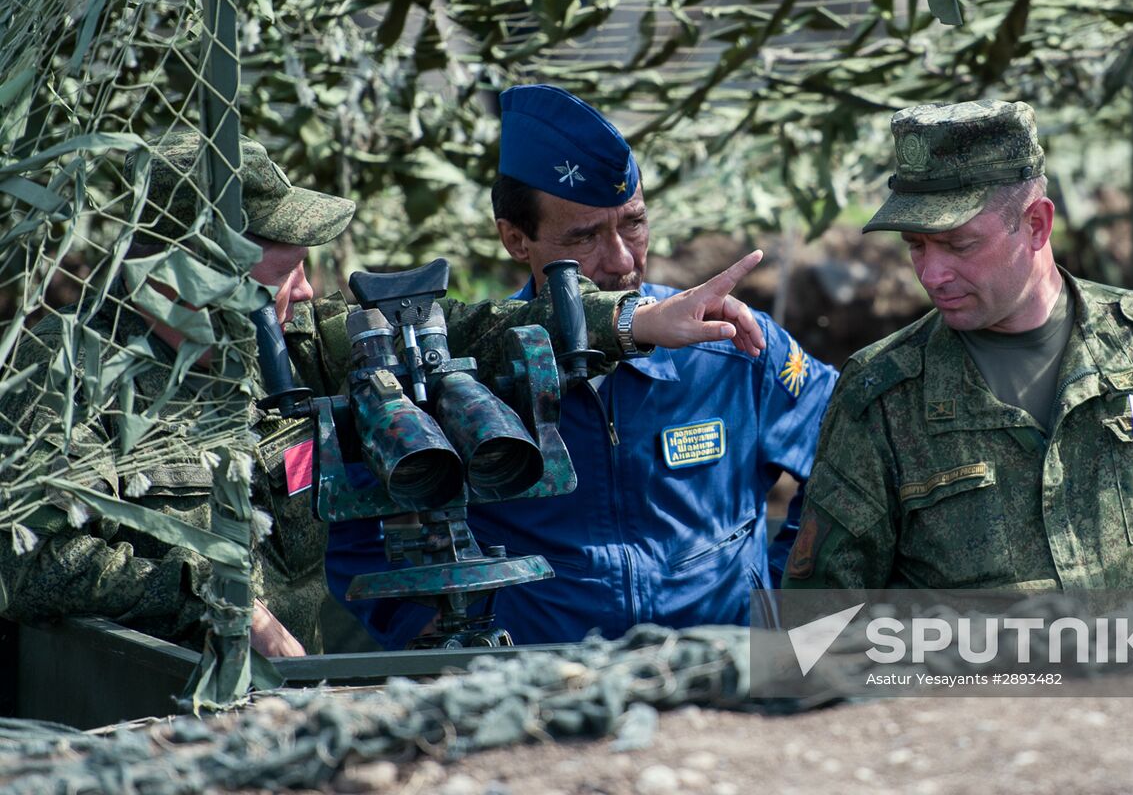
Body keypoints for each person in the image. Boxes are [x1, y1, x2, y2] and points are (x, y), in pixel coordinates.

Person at [0, 132, 764, 657]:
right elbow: (20, 556)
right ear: (177, 275)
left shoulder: (302, 346)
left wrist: (633, 321)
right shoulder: (56, 383)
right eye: (278, 274)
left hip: (280, 707)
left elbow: (472, 330)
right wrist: (207, 592)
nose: (303, 288)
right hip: (119, 710)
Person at [329, 84, 837, 646]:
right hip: (543, 690)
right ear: (515, 239)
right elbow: (352, 534)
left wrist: (789, 594)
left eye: (634, 223)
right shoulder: (455, 375)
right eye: (585, 236)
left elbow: (842, 455)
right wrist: (432, 638)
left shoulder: (729, 346)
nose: (621, 259)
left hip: (724, 677)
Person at [783, 100, 1133, 591]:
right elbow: (819, 623)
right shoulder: (883, 397)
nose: (932, 274)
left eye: (959, 244)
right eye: (916, 245)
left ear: (1036, 224)